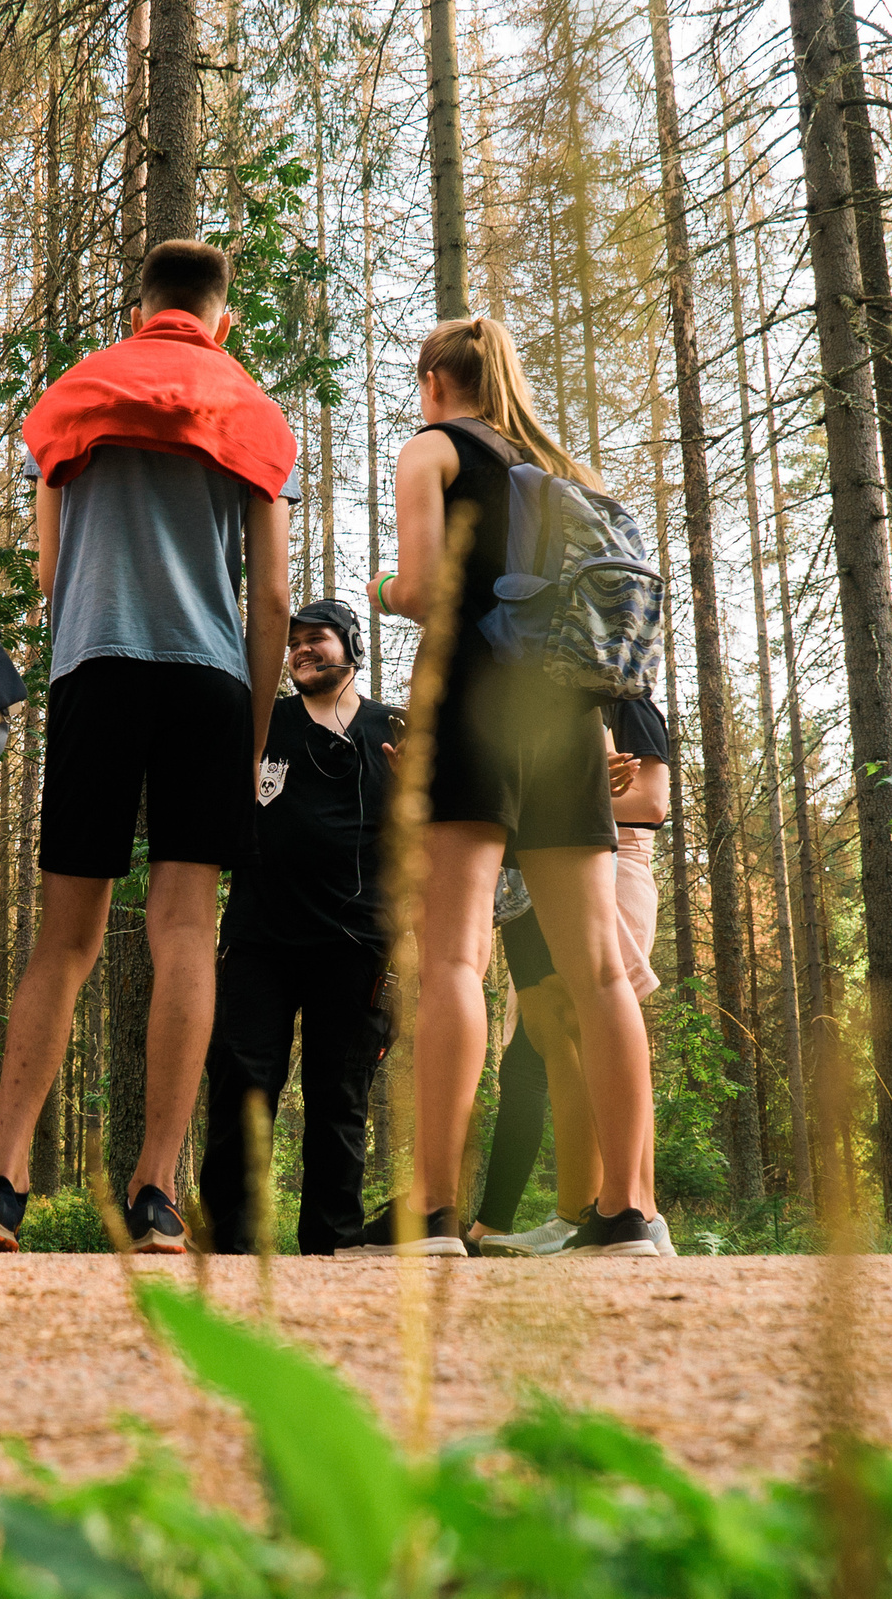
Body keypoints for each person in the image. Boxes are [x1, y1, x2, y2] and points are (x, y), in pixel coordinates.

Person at [0, 238, 296, 1253]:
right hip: (209, 683)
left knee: (66, 937)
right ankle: (154, 1193)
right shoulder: (253, 412)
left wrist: (87, 650)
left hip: (97, 666)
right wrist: (256, 735)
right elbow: (270, 599)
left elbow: (51, 569)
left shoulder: (77, 396)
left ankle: (2, 1183)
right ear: (219, 315)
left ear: (143, 304)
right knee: (185, 930)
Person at [353, 314, 656, 1258]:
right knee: (599, 968)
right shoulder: (561, 470)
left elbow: (427, 586)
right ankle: (631, 1213)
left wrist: (380, 592)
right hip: (566, 719)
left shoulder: (430, 451)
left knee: (452, 957)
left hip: (472, 708)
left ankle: (435, 1213)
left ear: (436, 378)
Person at [198, 599, 402, 1257]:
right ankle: (231, 1245)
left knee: (340, 1098)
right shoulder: (262, 725)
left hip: (359, 946)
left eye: (316, 639)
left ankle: (331, 1245)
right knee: (241, 1083)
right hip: (259, 941)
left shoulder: (395, 729)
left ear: (352, 646)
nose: (301, 652)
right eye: (292, 645)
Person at [472, 696, 676, 1257]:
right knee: (550, 1028)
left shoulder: (627, 699)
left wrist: (563, 793)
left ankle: (640, 1210)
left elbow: (652, 802)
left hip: (608, 863)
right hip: (524, 873)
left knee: (594, 1019)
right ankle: (576, 1212)